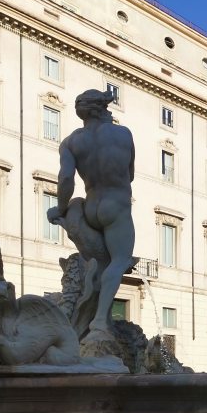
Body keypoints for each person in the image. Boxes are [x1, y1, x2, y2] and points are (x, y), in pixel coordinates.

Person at [48, 89, 135, 339]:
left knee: (99, 264)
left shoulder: (71, 142)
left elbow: (66, 179)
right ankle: (99, 323)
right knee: (118, 261)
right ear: (102, 110)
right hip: (115, 206)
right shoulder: (123, 134)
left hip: (90, 206)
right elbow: (129, 175)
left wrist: (61, 208)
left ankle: (87, 314)